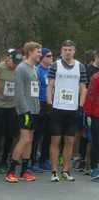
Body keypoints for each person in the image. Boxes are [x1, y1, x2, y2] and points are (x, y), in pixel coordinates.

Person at [47, 40, 87, 182]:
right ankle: (53, 171)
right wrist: (49, 103)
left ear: (74, 51)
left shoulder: (80, 66)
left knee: (70, 141)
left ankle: (65, 170)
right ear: (61, 51)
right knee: (55, 140)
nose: (67, 52)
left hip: (73, 109)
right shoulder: (55, 65)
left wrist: (81, 105)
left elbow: (83, 87)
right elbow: (50, 85)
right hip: (57, 108)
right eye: (65, 50)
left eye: (70, 50)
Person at [5, 41, 42, 183]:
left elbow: (34, 90)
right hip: (25, 110)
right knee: (25, 139)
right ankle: (11, 171)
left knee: (30, 140)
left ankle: (25, 170)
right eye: (37, 51)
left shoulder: (34, 68)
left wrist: (36, 108)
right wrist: (25, 110)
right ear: (30, 52)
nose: (40, 54)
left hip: (34, 109)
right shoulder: (21, 68)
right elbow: (19, 92)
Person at [0, 49, 22, 174]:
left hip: (12, 106)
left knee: (10, 135)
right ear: (8, 58)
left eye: (18, 62)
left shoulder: (19, 70)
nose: (15, 65)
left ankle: (4, 160)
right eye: (14, 61)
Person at [31, 48, 53, 172]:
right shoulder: (38, 70)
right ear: (43, 57)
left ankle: (44, 159)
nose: (51, 58)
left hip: (50, 104)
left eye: (52, 56)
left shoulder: (52, 70)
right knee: (37, 134)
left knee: (48, 133)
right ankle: (32, 161)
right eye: (49, 56)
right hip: (39, 104)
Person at [84, 70, 99, 180]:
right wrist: (88, 114)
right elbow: (90, 95)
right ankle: (94, 168)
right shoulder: (96, 77)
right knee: (96, 142)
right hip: (96, 115)